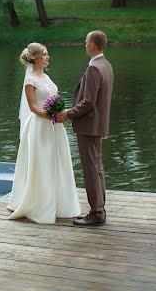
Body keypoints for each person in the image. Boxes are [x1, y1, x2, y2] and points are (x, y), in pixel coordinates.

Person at [7, 42, 81, 224]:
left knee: (57, 162)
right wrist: (51, 116)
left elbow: (52, 97)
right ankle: (41, 205)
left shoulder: (46, 77)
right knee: (43, 163)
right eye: (45, 54)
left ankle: (60, 203)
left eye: (48, 54)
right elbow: (32, 107)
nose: (48, 57)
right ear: (36, 58)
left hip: (55, 127)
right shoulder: (30, 80)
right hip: (41, 126)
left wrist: (58, 114)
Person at [56, 30, 113, 226]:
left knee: (91, 169)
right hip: (97, 125)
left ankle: (97, 213)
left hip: (89, 126)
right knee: (96, 167)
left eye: (86, 42)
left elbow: (88, 102)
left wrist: (68, 113)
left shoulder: (95, 68)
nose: (84, 44)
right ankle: (99, 209)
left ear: (94, 45)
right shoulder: (106, 65)